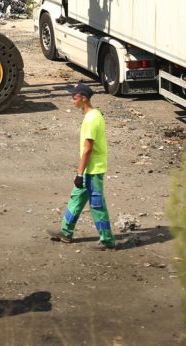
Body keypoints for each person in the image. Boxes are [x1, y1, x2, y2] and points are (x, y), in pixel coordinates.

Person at [48, 82, 116, 250]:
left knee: (97, 205)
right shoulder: (95, 115)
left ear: (84, 99)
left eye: (75, 97)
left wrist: (79, 174)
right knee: (76, 199)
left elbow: (88, 149)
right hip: (89, 169)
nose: (73, 101)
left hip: (93, 170)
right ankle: (66, 232)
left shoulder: (91, 119)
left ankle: (107, 241)